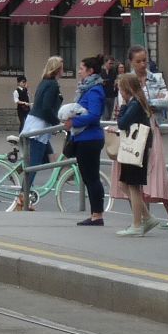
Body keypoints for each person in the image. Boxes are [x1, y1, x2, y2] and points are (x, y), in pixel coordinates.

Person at [124, 45, 168, 231]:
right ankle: (141, 220)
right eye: (138, 61)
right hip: (132, 132)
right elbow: (121, 102)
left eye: (144, 60)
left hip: (151, 129)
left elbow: (167, 101)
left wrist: (145, 103)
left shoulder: (155, 78)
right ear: (131, 62)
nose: (142, 64)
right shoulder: (128, 80)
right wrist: (143, 104)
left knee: (157, 176)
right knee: (134, 178)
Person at [112, 72, 158, 236]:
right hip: (136, 149)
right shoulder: (138, 104)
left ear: (126, 90)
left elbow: (122, 123)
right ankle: (147, 217)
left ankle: (137, 224)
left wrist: (122, 106)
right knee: (124, 184)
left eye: (120, 90)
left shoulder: (134, 104)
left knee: (133, 186)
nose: (120, 93)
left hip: (135, 150)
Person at [64, 55, 108, 226]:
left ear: (90, 71)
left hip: (90, 139)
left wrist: (73, 122)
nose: (79, 71)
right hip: (84, 138)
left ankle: (97, 215)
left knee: (92, 177)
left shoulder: (94, 90)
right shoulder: (86, 89)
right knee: (89, 177)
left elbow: (95, 115)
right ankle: (95, 213)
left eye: (82, 68)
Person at [17, 56, 64, 211]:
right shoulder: (52, 85)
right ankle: (22, 198)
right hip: (38, 128)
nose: (63, 70)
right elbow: (45, 108)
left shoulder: (44, 82)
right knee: (34, 165)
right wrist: (57, 123)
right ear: (58, 69)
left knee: (50, 158)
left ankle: (62, 175)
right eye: (62, 67)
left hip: (36, 124)